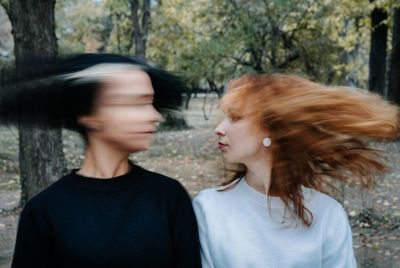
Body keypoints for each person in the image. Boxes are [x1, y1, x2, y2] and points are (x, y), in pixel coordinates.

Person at [1, 53, 201, 268]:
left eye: (151, 102)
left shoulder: (169, 198)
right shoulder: (43, 212)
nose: (155, 115)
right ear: (88, 115)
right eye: (135, 102)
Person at [193, 73, 400, 268]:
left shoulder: (328, 215)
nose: (218, 128)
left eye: (235, 117)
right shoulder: (208, 208)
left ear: (272, 128)